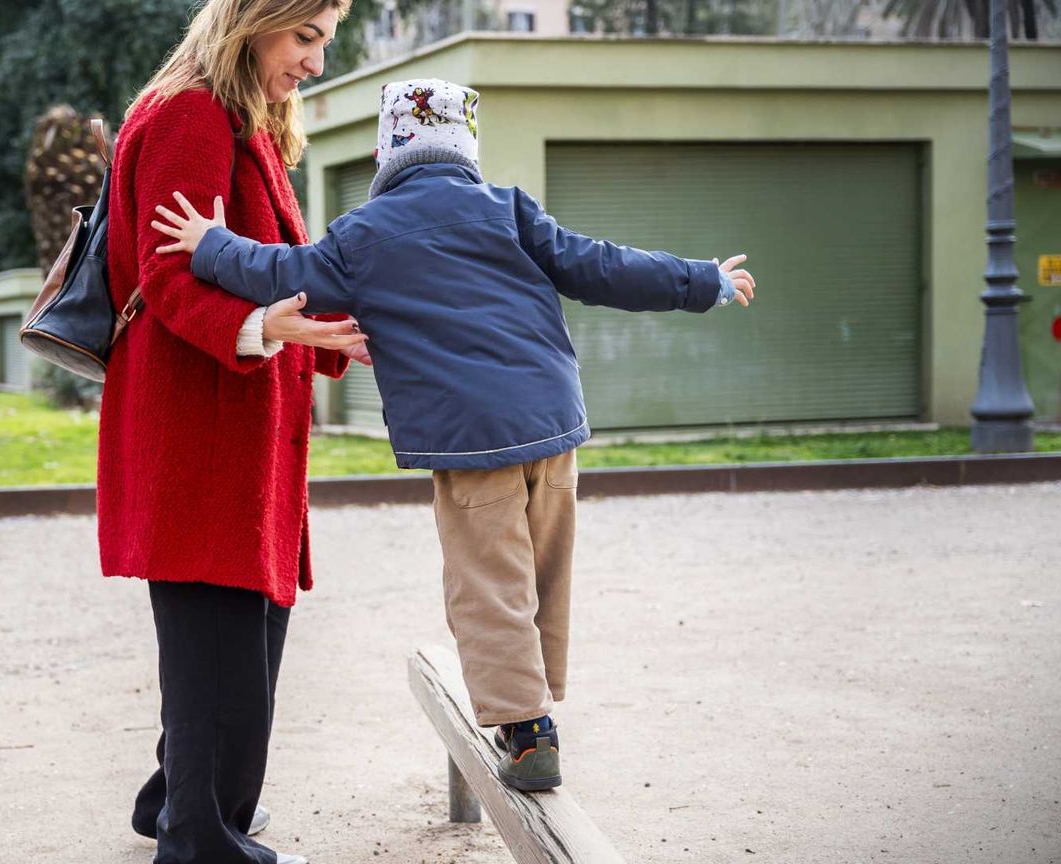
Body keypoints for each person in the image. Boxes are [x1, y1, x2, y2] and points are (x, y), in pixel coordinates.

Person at [152, 78, 757, 793]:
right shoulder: (509, 210)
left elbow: (284, 274)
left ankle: (528, 729)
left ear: (384, 155)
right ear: (467, 151)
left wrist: (212, 245)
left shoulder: (362, 234)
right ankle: (536, 707)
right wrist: (700, 281)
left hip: (470, 441)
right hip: (553, 425)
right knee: (544, 571)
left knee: (489, 585)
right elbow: (601, 265)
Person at [100, 1, 368, 862]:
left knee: (232, 644)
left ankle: (180, 804)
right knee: (223, 648)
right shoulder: (191, 114)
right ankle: (199, 840)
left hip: (229, 427)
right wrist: (268, 328)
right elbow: (168, 277)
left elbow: (269, 271)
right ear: (255, 20)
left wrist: (323, 333)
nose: (316, 62)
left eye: (325, 42)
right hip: (203, 433)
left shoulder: (238, 119)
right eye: (306, 37)